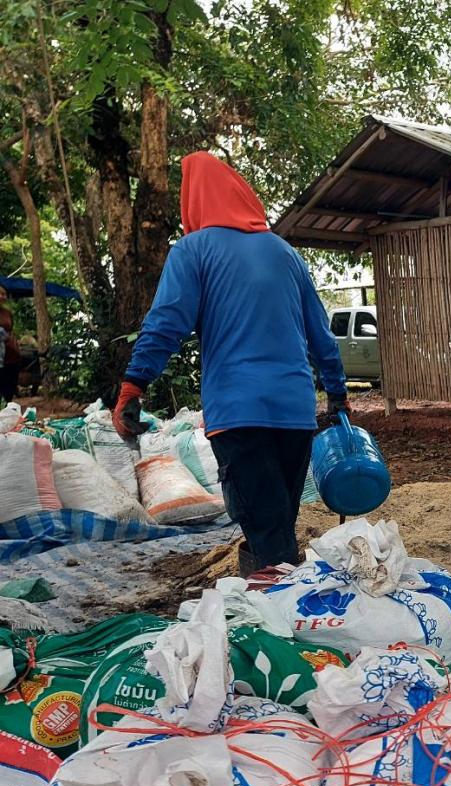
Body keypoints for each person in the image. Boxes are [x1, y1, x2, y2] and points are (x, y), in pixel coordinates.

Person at [112, 151, 347, 576]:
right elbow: (321, 335)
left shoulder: (193, 250)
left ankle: (275, 604)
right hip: (295, 412)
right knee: (276, 522)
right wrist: (337, 393)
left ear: (193, 199)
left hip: (239, 414)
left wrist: (134, 385)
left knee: (268, 531)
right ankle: (272, 589)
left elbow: (166, 323)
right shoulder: (285, 253)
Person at [0, 306, 19, 403]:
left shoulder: (7, 312)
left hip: (11, 355)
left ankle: (8, 404)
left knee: (10, 386)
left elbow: (10, 331)